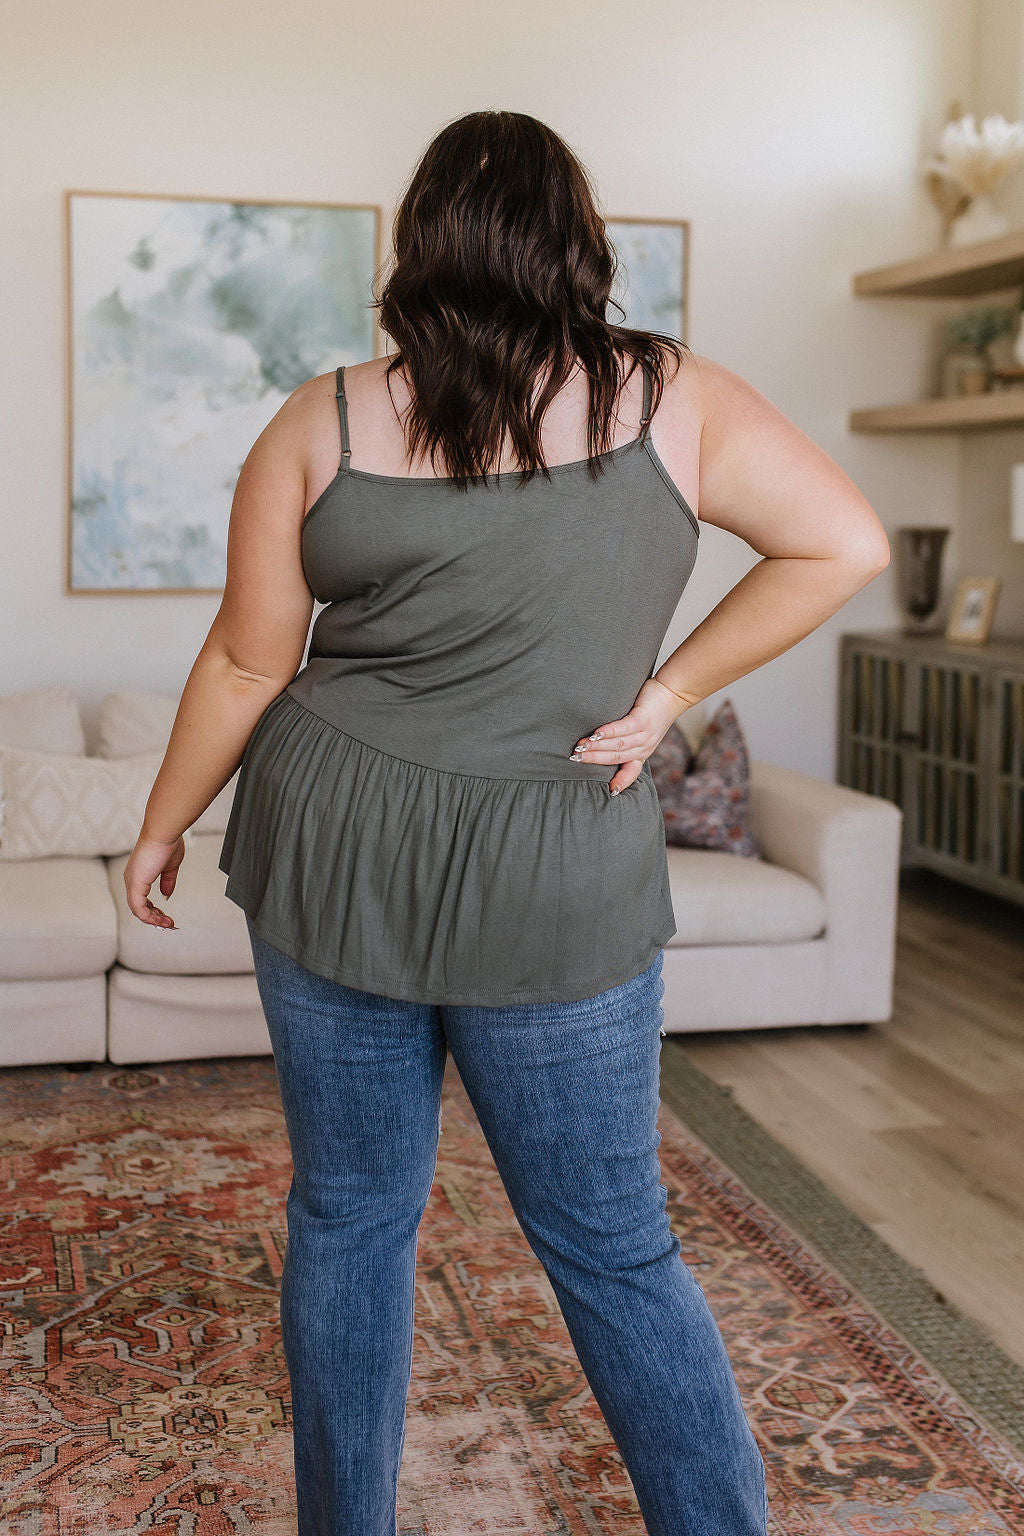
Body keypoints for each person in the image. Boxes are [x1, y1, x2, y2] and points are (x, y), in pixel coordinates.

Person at [123, 109, 890, 1536]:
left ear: (420, 244)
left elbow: (245, 660)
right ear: (576, 241)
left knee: (349, 1217)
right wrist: (668, 695)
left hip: (334, 838)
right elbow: (844, 542)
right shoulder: (676, 397)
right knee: (613, 1245)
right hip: (556, 859)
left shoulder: (324, 415)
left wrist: (166, 823)